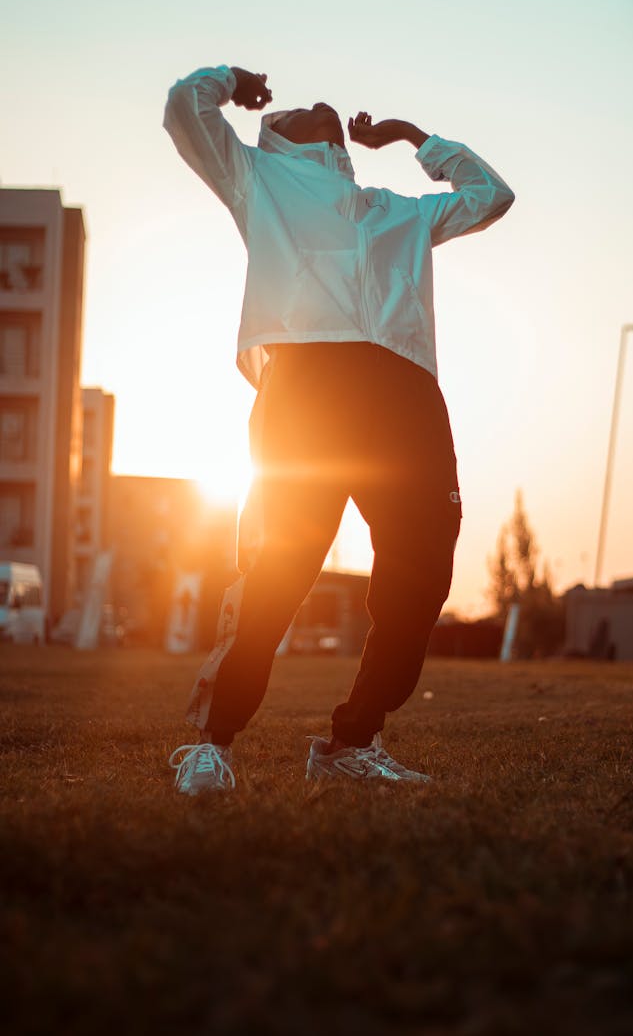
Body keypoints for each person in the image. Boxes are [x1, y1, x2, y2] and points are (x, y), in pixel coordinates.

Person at [163, 65, 515, 793]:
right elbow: (182, 107)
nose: (307, 102)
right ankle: (212, 744)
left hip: (406, 396)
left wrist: (417, 137)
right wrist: (233, 81)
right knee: (277, 575)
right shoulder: (258, 179)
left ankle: (353, 742)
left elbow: (490, 196)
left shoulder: (396, 211)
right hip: (307, 395)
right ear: (276, 136)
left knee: (419, 580)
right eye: (288, 107)